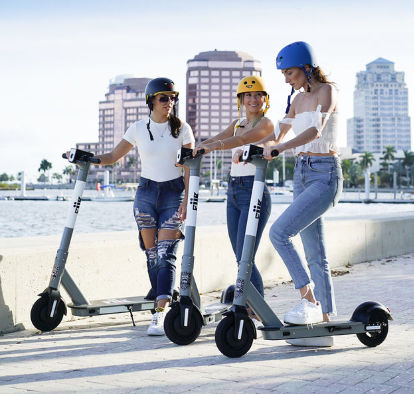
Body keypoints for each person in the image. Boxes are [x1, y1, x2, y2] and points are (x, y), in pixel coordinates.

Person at [87, 77, 194, 336]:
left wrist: (189, 201)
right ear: (151, 100)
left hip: (173, 193)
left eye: (172, 98)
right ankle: (163, 296)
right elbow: (113, 156)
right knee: (152, 254)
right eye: (163, 98)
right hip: (145, 193)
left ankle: (160, 313)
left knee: (167, 252)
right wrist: (87, 158)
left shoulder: (183, 130)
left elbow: (190, 167)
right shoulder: (137, 128)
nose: (169, 102)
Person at [263, 41, 343, 347]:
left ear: (307, 68)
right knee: (315, 252)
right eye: (284, 74)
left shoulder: (327, 91)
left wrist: (281, 148)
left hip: (325, 174)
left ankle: (308, 300)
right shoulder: (296, 100)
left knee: (280, 233)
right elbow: (280, 131)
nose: (286, 79)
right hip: (302, 172)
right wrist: (255, 148)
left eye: (290, 72)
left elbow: (315, 132)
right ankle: (324, 326)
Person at [194, 75, 274, 331]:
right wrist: (195, 149)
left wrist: (212, 147)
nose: (253, 99)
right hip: (234, 192)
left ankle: (256, 313)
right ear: (241, 100)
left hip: (255, 191)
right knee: (240, 257)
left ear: (265, 99)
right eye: (247, 95)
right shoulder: (237, 123)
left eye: (258, 95)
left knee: (245, 257)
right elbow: (219, 138)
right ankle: (253, 310)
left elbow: (241, 141)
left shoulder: (266, 124)